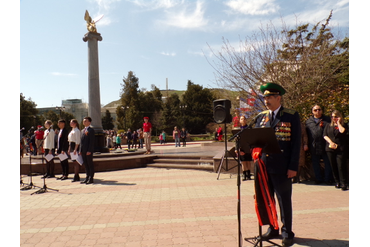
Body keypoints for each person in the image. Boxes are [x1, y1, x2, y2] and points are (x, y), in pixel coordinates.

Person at [253, 82, 301, 247]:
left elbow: (296, 143)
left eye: (269, 97)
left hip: (282, 167)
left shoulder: (290, 115)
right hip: (264, 166)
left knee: (284, 200)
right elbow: (255, 140)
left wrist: (293, 166)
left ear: (278, 98)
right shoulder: (261, 117)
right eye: (265, 97)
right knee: (267, 200)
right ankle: (273, 228)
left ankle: (287, 231)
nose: (266, 100)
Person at [305, 104, 332, 184]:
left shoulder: (327, 120)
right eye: (315, 110)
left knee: (328, 163)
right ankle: (318, 179)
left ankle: (328, 179)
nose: (317, 111)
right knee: (315, 163)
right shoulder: (309, 122)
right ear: (312, 112)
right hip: (314, 145)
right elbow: (306, 134)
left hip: (325, 145)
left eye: (319, 109)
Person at [323, 110, 349, 191]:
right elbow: (324, 135)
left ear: (339, 117)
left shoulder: (344, 125)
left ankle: (343, 183)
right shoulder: (328, 125)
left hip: (340, 148)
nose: (334, 118)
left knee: (341, 166)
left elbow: (342, 131)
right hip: (330, 148)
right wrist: (331, 142)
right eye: (332, 117)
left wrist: (338, 123)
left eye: (335, 117)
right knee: (333, 166)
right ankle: (337, 182)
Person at [236, 115, 252, 181]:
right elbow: (236, 140)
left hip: (248, 147)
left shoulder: (249, 128)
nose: (243, 120)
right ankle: (244, 175)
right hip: (241, 148)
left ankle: (248, 175)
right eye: (242, 119)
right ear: (240, 121)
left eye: (244, 119)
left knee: (248, 161)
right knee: (243, 162)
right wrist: (237, 149)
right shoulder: (239, 130)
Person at [79, 116, 95, 184]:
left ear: (89, 122)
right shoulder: (82, 130)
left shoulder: (91, 130)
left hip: (88, 150)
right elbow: (81, 141)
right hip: (83, 150)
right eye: (83, 121)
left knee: (90, 164)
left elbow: (91, 141)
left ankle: (91, 178)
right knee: (85, 164)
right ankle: (87, 177)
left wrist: (89, 150)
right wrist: (80, 150)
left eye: (86, 121)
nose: (84, 122)